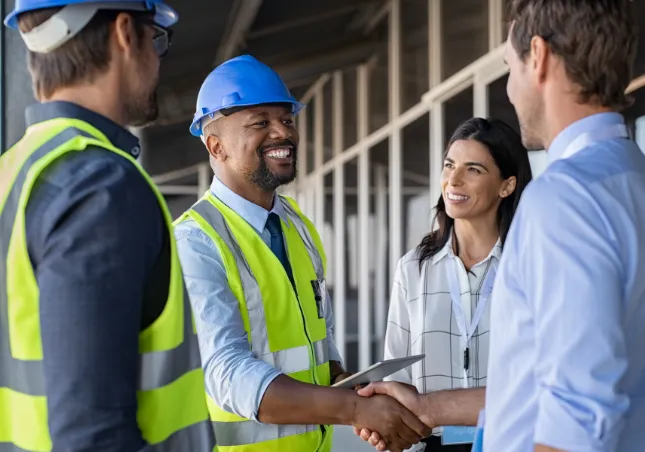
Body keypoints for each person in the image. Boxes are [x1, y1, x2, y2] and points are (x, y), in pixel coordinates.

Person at [173, 54, 431, 452]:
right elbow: (228, 374)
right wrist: (352, 410)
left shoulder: (297, 226)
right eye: (261, 122)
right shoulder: (196, 242)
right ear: (215, 145)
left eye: (287, 120)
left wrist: (358, 389)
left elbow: (317, 346)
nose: (283, 133)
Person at [0, 1, 215, 451]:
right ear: (123, 32)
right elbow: (92, 438)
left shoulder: (12, 173)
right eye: (155, 39)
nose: (157, 59)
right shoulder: (99, 187)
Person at [482, 0, 645, 451]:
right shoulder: (632, 177)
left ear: (539, 56)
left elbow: (579, 418)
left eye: (509, 67)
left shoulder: (563, 199)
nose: (510, 90)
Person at [354, 117, 533, 452]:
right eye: (449, 165)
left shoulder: (530, 265)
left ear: (506, 185)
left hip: (513, 441)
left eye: (473, 170)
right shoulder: (413, 268)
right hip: (433, 445)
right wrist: (384, 421)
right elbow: (397, 373)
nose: (453, 180)